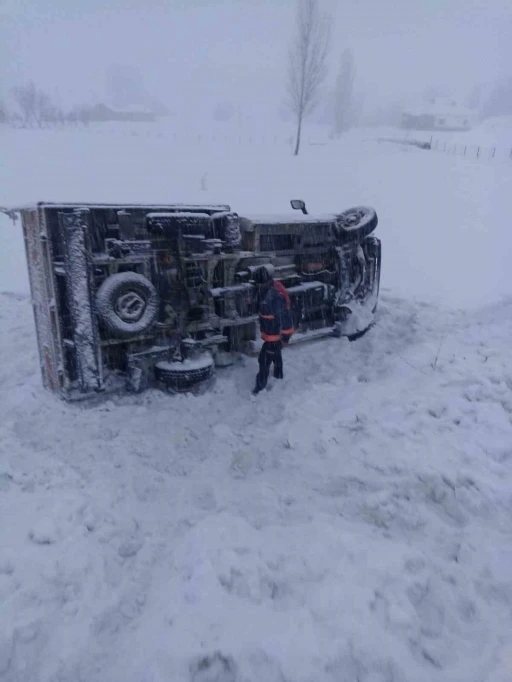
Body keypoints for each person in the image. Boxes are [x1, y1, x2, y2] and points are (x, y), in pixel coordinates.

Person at [252, 264, 294, 394]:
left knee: (263, 360)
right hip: (270, 334)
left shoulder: (274, 297)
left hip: (274, 335)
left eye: (259, 283)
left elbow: (285, 317)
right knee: (276, 355)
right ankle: (278, 376)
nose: (258, 286)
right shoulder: (263, 291)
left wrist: (286, 337)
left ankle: (260, 387)